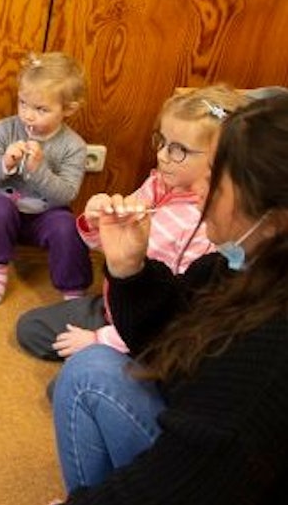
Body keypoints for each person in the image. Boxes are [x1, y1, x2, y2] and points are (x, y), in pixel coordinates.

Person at [0, 93, 288, 505]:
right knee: (90, 371)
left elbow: (192, 481)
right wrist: (130, 271)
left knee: (89, 377)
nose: (199, 188)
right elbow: (165, 348)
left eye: (218, 178)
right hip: (221, 488)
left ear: (273, 216)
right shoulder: (243, 266)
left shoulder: (270, 348)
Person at [15, 85, 245, 361]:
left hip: (149, 331)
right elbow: (115, 251)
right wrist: (95, 223)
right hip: (118, 306)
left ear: (220, 161)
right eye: (162, 141)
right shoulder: (157, 183)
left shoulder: (209, 226)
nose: (161, 155)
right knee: (31, 329)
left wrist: (100, 340)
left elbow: (172, 318)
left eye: (178, 149)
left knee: (72, 385)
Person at [0, 52, 90, 306]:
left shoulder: (73, 146)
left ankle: (73, 292)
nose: (28, 115)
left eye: (41, 109)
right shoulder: (4, 130)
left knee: (67, 225)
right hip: (3, 205)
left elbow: (67, 194)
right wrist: (5, 163)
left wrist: (39, 171)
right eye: (23, 103)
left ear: (68, 109)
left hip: (44, 215)